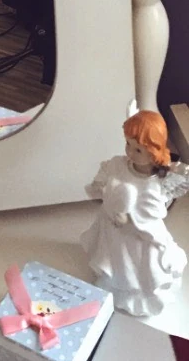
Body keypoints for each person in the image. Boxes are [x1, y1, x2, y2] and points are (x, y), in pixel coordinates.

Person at [81, 110, 189, 315]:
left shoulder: (155, 183)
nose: (130, 152)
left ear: (153, 152)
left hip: (138, 235)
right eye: (128, 145)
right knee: (114, 256)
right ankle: (114, 279)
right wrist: (107, 195)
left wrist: (130, 220)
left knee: (139, 263)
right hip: (113, 228)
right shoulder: (117, 165)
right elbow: (102, 185)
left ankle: (138, 292)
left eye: (138, 150)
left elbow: (152, 214)